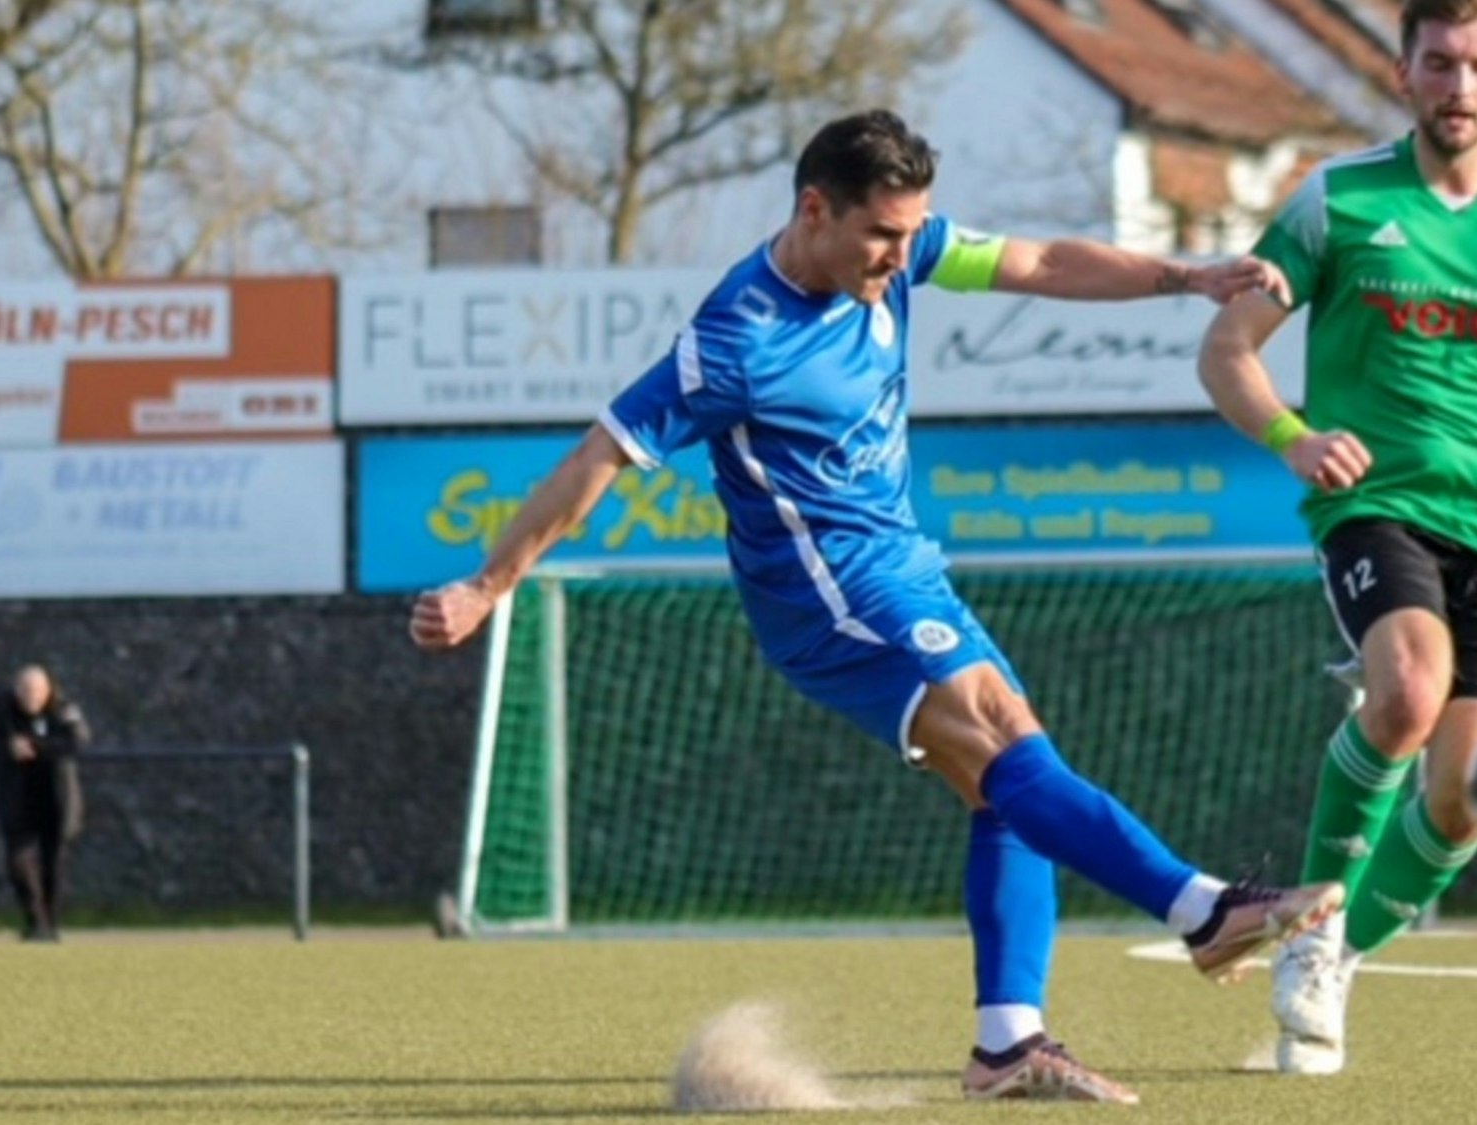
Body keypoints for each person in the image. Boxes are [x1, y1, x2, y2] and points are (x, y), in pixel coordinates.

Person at [409, 109, 1338, 1105]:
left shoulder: (899, 250)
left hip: (900, 565)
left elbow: (1036, 263)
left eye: (912, 233)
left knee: (1013, 779)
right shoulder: (734, 340)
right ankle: (1201, 911)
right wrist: (485, 584)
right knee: (1003, 732)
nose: (903, 255)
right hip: (822, 596)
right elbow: (598, 459)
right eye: (883, 236)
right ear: (815, 210)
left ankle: (1006, 1042)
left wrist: (1185, 276)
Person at [1196, 0, 1477, 1076]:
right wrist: (1292, 439)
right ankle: (1304, 919)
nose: (1459, 86)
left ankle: (1332, 950)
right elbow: (1225, 350)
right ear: (1403, 73)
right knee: (1402, 690)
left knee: (1463, 792)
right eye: (1438, 63)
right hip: (1373, 505)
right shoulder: (1334, 200)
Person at [0, 665, 89, 942]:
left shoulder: (64, 710)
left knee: (53, 862)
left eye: (36, 691)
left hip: (56, 798)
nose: (30, 696)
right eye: (24, 690)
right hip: (18, 798)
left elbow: (76, 742)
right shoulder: (0, 710)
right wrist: (7, 749)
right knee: (19, 862)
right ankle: (35, 922)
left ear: (47, 691)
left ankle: (51, 924)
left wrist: (37, 746)